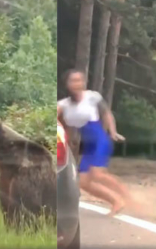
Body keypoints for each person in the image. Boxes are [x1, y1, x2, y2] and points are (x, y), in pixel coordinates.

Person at [57, 69, 131, 216]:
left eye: (80, 80)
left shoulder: (92, 97)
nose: (77, 83)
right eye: (73, 80)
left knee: (97, 175)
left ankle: (129, 197)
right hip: (87, 144)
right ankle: (116, 201)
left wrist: (113, 131)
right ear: (67, 84)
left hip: (99, 139)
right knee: (83, 182)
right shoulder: (63, 104)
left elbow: (106, 113)